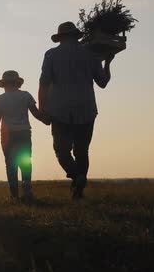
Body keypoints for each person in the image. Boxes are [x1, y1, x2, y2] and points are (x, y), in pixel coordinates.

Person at [38, 22, 114, 200]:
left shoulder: (51, 54)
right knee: (82, 151)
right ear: (75, 35)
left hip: (59, 109)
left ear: (61, 37)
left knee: (61, 150)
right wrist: (108, 63)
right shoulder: (91, 54)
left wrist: (42, 107)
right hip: (86, 109)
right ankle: (78, 189)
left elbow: (44, 83)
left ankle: (77, 177)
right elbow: (103, 82)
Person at [0, 70, 43, 202]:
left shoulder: (0, 99)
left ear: (4, 84)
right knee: (26, 161)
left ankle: (14, 195)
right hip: (24, 132)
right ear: (17, 83)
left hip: (7, 135)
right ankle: (27, 190)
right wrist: (47, 119)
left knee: (10, 164)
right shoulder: (26, 96)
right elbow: (36, 114)